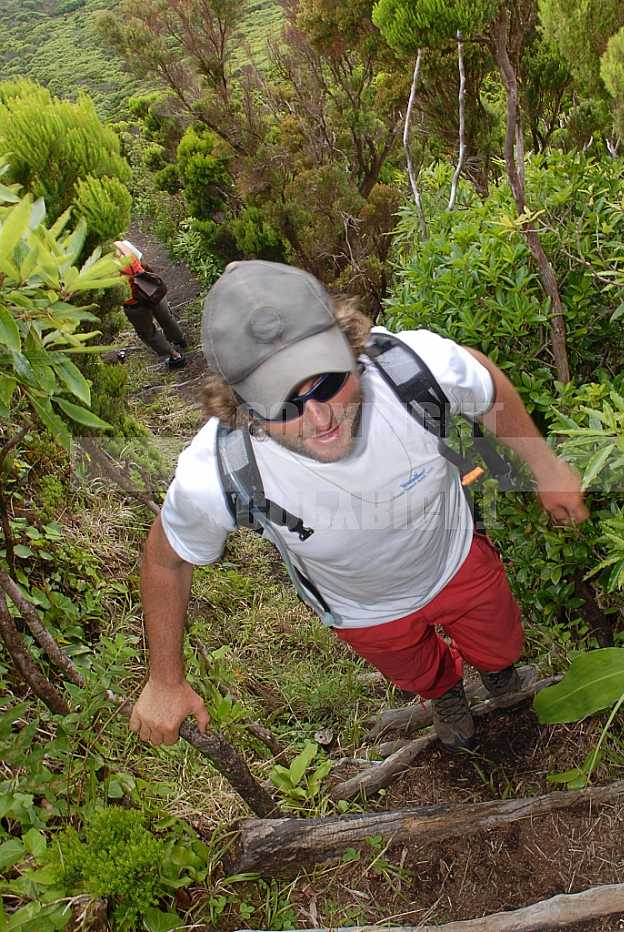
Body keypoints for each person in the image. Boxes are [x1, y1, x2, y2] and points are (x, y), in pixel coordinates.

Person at [129, 261, 589, 751]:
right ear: (238, 407)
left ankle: (500, 676)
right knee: (419, 672)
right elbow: (166, 560)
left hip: (456, 557)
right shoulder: (218, 472)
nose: (320, 416)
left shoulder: (410, 369)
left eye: (327, 380)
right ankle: (445, 694)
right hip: (364, 611)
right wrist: (164, 680)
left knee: (500, 641)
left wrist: (546, 468)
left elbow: (483, 381)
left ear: (352, 347)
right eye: (282, 403)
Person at [114, 241, 187, 370]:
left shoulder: (100, 263)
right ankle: (180, 340)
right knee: (166, 317)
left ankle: (175, 357)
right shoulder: (122, 244)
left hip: (133, 301)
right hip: (150, 288)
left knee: (148, 333)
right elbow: (141, 260)